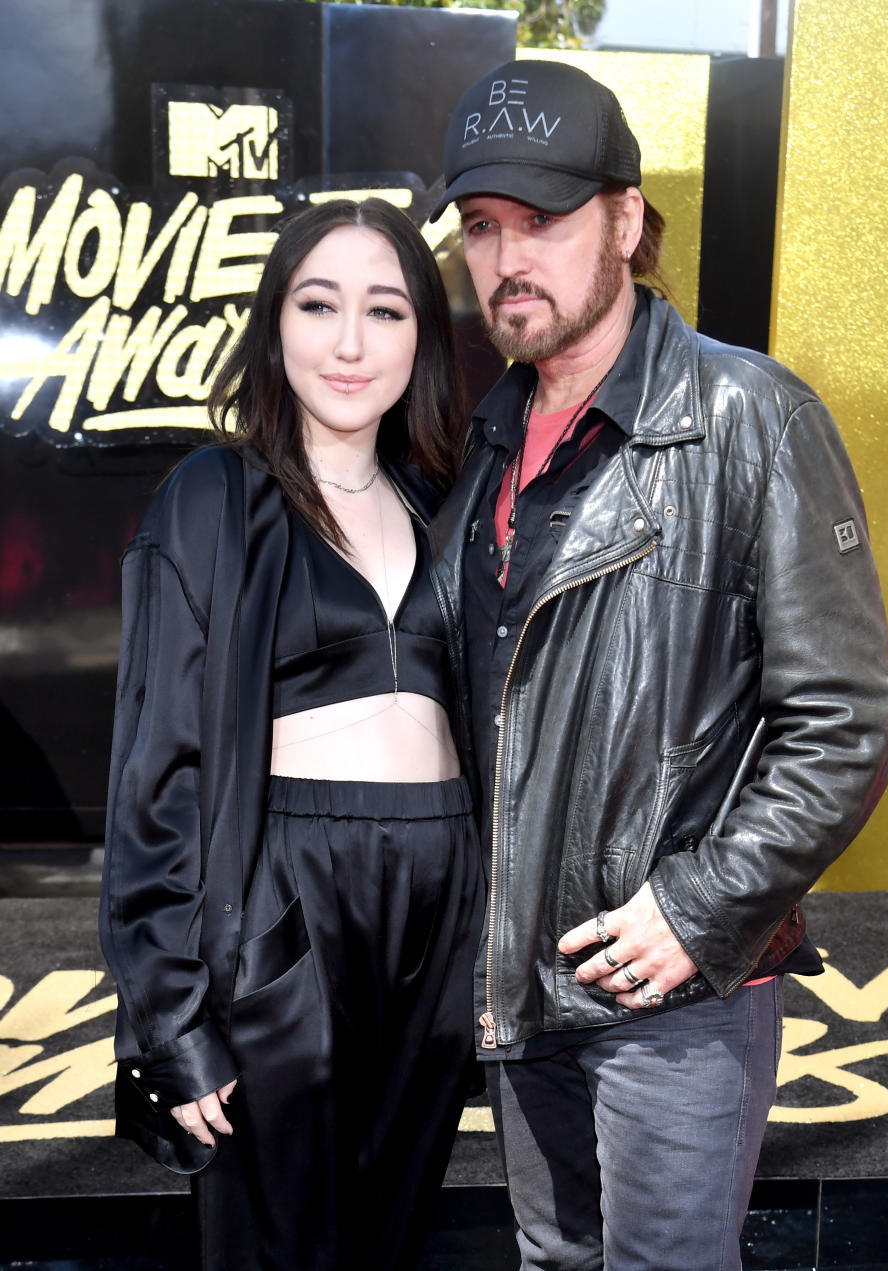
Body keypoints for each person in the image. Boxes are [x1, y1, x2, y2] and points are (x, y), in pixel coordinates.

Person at [427, 60, 888, 1271]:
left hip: (673, 998)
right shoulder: (481, 447)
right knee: (557, 1263)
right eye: (483, 228)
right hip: (520, 989)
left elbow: (844, 717)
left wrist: (700, 908)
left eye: (544, 221)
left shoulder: (751, 417)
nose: (506, 258)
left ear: (628, 222)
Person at [99, 198, 484, 1271]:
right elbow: (157, 769)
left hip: (444, 902)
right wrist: (172, 1011)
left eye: (386, 309)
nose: (351, 342)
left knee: (392, 1235)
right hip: (290, 895)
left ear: (424, 337)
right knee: (277, 1244)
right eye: (319, 304)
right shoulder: (214, 496)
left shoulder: (445, 499)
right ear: (276, 322)